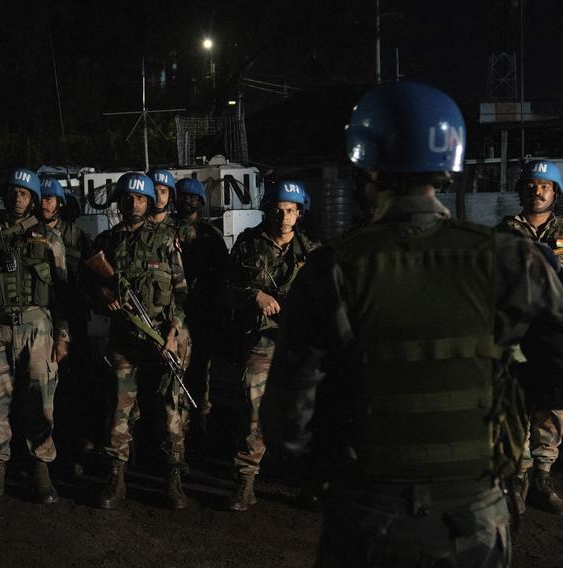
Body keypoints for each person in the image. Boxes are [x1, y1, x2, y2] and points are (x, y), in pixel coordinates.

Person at [261, 81, 563, 567]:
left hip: (367, 515)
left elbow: (286, 426)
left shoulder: (331, 269)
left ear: (367, 167)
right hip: (477, 516)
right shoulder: (513, 260)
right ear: (449, 163)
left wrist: (334, 477)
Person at [0, 167, 69, 504]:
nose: (16, 197)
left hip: (38, 328)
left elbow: (64, 293)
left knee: (40, 399)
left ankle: (40, 467)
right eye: (12, 191)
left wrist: (63, 335)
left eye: (23, 193)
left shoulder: (49, 238)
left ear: (34, 199)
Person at [87, 172, 190, 509]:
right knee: (118, 409)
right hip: (124, 341)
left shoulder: (166, 239)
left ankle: (173, 478)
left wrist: (174, 333)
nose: (134, 203)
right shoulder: (106, 242)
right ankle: (115, 477)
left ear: (150, 202)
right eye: (128, 198)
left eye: (141, 198)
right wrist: (104, 294)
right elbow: (86, 286)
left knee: (171, 410)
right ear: (120, 201)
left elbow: (181, 295)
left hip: (161, 339)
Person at [224, 179, 318, 511]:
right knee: (253, 413)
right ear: (269, 210)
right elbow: (228, 287)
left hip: (299, 346)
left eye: (290, 211)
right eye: (278, 210)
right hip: (260, 342)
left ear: (299, 213)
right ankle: (245, 482)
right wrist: (255, 295)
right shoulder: (249, 245)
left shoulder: (312, 251)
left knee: (306, 414)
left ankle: (310, 484)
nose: (283, 217)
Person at [496, 159, 563, 515]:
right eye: (531, 185)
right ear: (521, 190)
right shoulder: (504, 232)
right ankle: (518, 479)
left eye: (545, 186)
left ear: (555, 192)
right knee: (517, 403)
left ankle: (542, 478)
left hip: (556, 333)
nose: (537, 191)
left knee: (552, 408)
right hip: (517, 329)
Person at [40, 178, 97, 474]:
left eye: (50, 199)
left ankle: (75, 444)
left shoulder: (77, 236)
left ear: (60, 203)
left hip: (73, 320)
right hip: (40, 318)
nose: (44, 204)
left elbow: (94, 275)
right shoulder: (30, 233)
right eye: (42, 198)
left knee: (74, 386)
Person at [173, 177, 228, 435]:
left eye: (192, 197)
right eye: (182, 196)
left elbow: (223, 275)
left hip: (204, 312)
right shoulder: (167, 232)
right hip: (175, 311)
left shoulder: (210, 235)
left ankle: (202, 425)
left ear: (200, 201)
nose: (187, 200)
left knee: (202, 372)